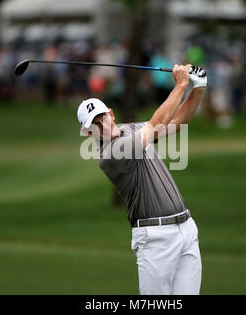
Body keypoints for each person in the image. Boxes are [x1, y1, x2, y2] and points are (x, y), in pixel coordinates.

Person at [77, 64, 207, 295]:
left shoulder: (128, 130)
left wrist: (198, 87)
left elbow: (178, 122)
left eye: (102, 118)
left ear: (111, 114)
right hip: (155, 239)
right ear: (88, 134)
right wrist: (181, 85)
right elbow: (156, 124)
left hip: (186, 229)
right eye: (94, 126)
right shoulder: (110, 155)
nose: (101, 126)